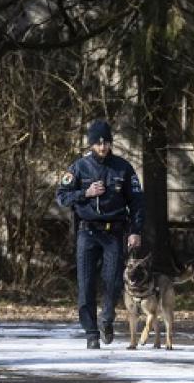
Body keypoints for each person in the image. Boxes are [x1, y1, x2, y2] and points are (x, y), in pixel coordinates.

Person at [56, 120, 144, 349]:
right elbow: (62, 196)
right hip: (87, 231)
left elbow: (137, 202)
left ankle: (107, 319)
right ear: (91, 143)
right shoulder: (78, 168)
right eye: (98, 142)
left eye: (106, 142)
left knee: (113, 282)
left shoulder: (123, 168)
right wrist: (84, 193)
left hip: (114, 232)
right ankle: (91, 333)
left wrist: (135, 231)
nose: (103, 147)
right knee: (86, 284)